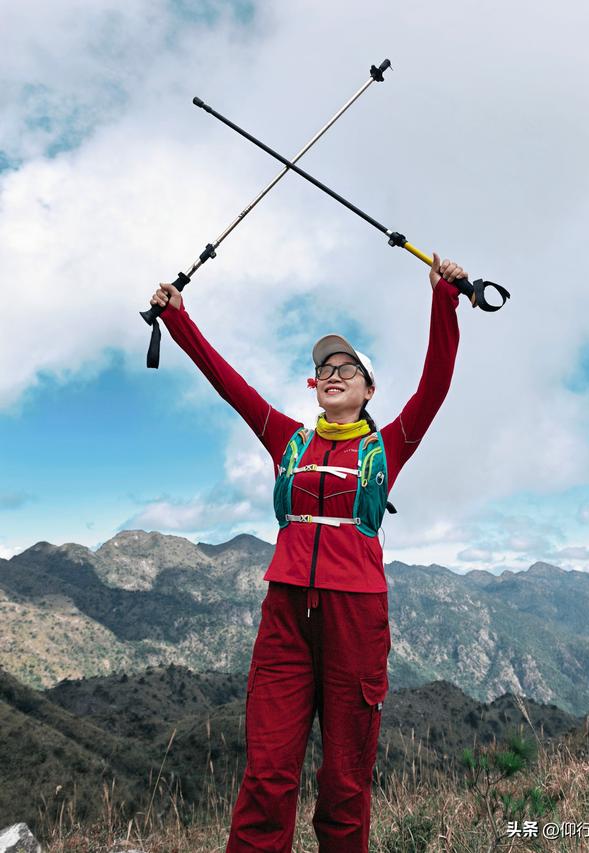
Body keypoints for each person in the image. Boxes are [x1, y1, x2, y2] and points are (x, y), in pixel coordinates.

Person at [149, 252, 467, 852]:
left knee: (345, 782)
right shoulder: (287, 439)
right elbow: (229, 384)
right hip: (286, 615)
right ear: (313, 384)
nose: (333, 373)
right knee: (267, 776)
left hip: (357, 618)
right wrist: (178, 319)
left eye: (348, 367)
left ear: (369, 389)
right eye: (324, 367)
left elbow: (436, 384)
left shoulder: (389, 444)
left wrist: (443, 299)